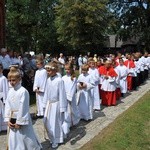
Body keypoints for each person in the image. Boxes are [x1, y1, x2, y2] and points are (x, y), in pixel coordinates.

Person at [4, 66, 42, 150]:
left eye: (13, 80)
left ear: (19, 79)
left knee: (25, 138)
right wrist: (7, 119)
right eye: (9, 80)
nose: (11, 82)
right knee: (14, 139)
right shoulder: (10, 91)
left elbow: (23, 107)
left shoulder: (23, 91)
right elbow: (7, 105)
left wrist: (19, 122)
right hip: (12, 117)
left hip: (21, 119)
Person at [43, 62, 67, 149]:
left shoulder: (59, 80)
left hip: (56, 104)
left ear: (55, 70)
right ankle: (52, 137)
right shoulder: (48, 80)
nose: (47, 72)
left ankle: (56, 140)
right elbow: (46, 92)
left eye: (49, 71)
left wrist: (62, 107)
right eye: (47, 71)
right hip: (49, 104)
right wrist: (45, 103)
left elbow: (62, 94)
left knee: (55, 123)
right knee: (47, 121)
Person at [62, 63, 80, 128]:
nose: (67, 71)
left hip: (70, 97)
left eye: (68, 69)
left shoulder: (73, 78)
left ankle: (73, 122)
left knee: (72, 109)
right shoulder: (63, 78)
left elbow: (73, 88)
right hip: (64, 96)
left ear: (71, 69)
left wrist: (69, 97)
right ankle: (67, 122)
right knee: (66, 110)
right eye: (65, 69)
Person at [0, 64, 9, 132]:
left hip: (2, 98)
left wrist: (5, 100)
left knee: (2, 113)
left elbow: (6, 90)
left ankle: (3, 127)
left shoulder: (3, 78)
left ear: (2, 70)